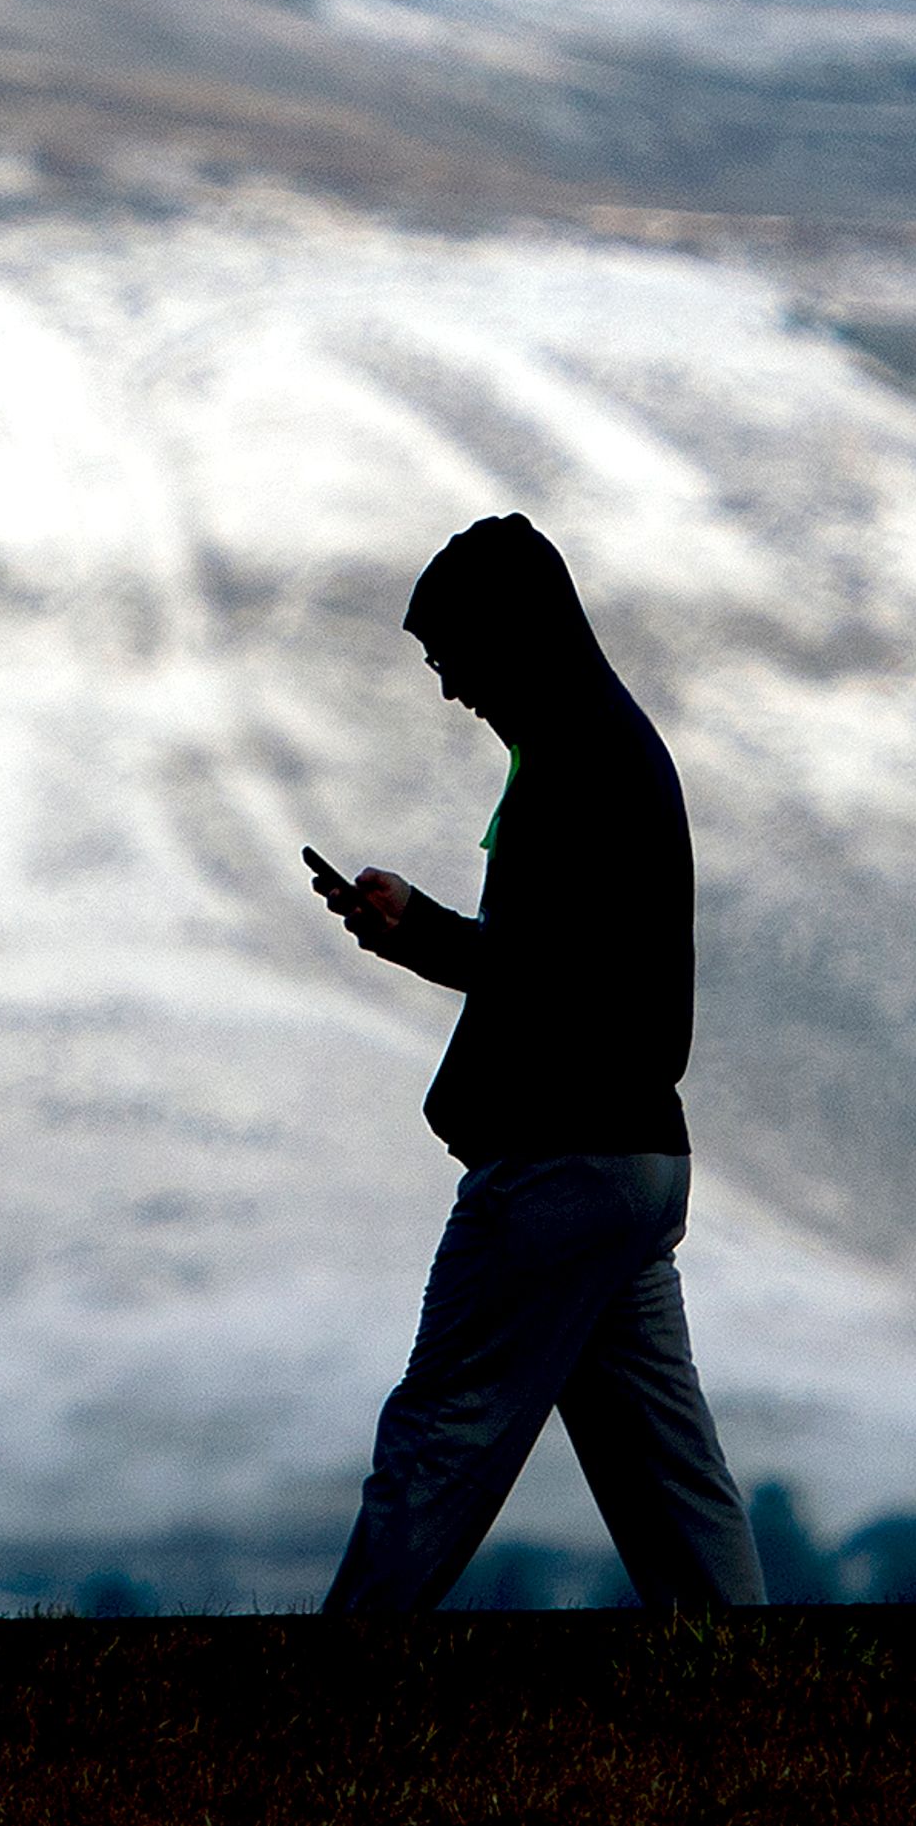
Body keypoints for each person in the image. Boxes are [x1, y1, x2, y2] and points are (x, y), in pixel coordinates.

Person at [311, 512, 766, 1613]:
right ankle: (768, 1700)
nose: (449, 688)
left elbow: (542, 976)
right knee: (671, 1483)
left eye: (450, 655)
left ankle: (313, 1711)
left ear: (506, 635)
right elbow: (559, 966)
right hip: (635, 1160)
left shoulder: (572, 761)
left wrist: (429, 936)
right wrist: (419, 927)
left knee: (440, 1432)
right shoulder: (602, 744)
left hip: (557, 1163)